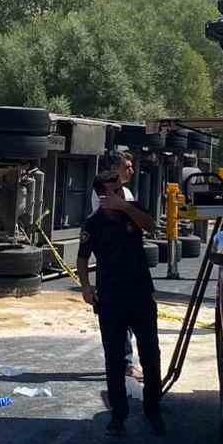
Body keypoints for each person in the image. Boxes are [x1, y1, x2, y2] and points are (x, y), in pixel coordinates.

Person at [78, 171, 165, 437]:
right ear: (101, 195)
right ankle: (118, 416)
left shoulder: (133, 211)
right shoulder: (92, 224)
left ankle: (153, 410)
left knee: (150, 354)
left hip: (139, 294)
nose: (118, 193)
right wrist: (85, 286)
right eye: (112, 191)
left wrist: (125, 206)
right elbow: (82, 258)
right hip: (111, 298)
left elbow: (151, 227)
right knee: (114, 359)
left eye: (120, 189)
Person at [89, 150, 143, 382]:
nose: (132, 170)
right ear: (114, 170)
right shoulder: (103, 193)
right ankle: (124, 364)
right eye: (127, 166)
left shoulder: (126, 192)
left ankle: (124, 361)